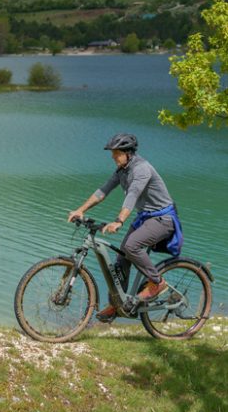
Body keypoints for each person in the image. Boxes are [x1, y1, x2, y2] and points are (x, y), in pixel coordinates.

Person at [67, 133, 183, 323]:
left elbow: (133, 195)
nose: (113, 157)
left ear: (128, 153)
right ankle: (117, 305)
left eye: (116, 154)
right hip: (145, 217)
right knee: (122, 258)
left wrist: (119, 221)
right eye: (113, 154)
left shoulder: (142, 169)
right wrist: (80, 210)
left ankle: (157, 283)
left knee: (131, 247)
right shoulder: (122, 170)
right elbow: (103, 190)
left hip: (163, 218)